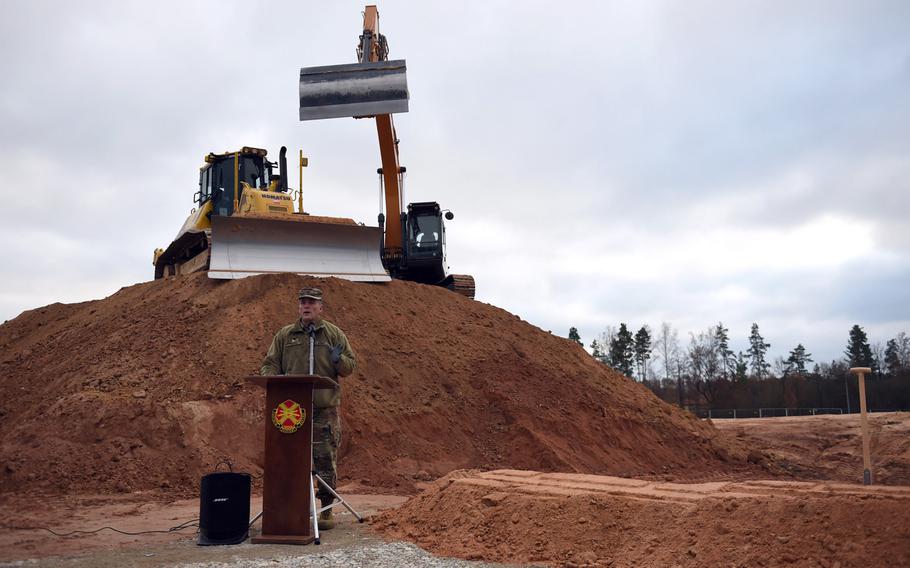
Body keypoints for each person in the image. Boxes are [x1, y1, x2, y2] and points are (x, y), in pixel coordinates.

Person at [260, 287, 356, 530]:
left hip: (323, 408)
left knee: (325, 458)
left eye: (311, 302)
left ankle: (325, 510)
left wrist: (338, 360)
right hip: (292, 410)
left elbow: (349, 367)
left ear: (321, 308)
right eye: (303, 302)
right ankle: (290, 507)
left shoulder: (333, 334)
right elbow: (270, 364)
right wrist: (272, 382)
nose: (306, 306)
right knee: (289, 459)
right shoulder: (285, 335)